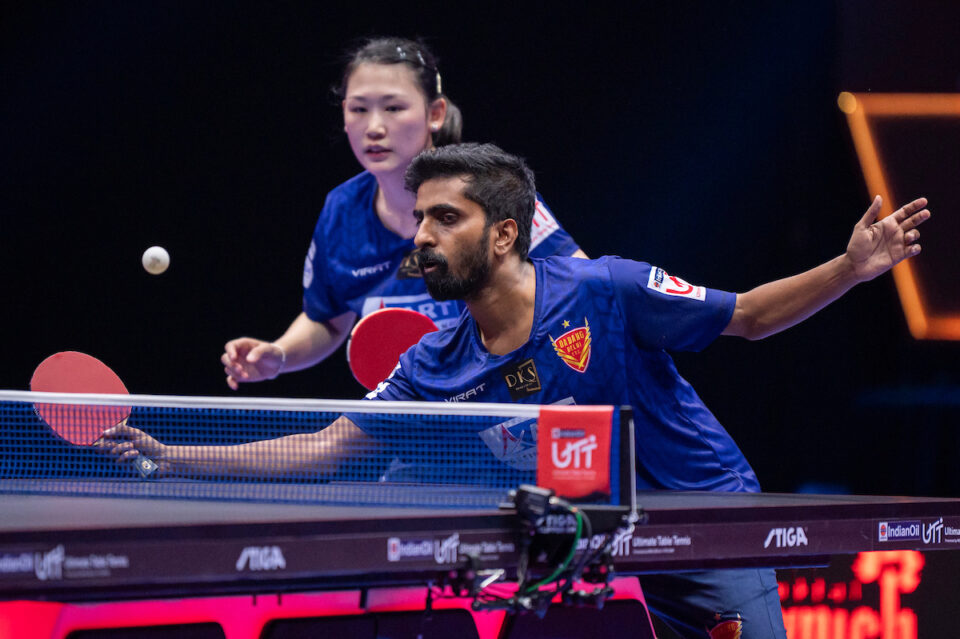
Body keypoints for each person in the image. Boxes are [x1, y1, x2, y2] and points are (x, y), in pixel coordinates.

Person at [105, 143, 930, 638]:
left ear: (505, 233)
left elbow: (746, 315)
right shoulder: (433, 363)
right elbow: (326, 447)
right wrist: (175, 455)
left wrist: (851, 268)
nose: (422, 236)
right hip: (578, 548)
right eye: (420, 219)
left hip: (698, 524)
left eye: (445, 218)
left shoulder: (605, 288)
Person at [221, 38, 585, 391]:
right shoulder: (341, 210)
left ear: (435, 113)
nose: (374, 127)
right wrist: (280, 354)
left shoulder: (491, 191)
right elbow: (328, 321)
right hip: (411, 411)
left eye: (394, 108)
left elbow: (580, 287)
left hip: (512, 394)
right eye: (358, 109)